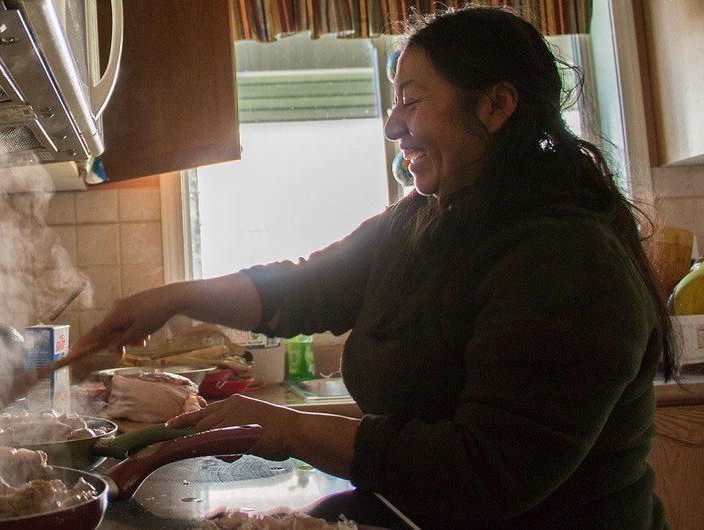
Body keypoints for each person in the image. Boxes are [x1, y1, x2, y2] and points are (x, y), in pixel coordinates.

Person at [76, 6, 677, 529]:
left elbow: (487, 473)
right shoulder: (423, 219)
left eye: (412, 101)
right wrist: (173, 296)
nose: (393, 126)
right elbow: (304, 290)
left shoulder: (569, 258)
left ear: (495, 106)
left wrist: (285, 428)